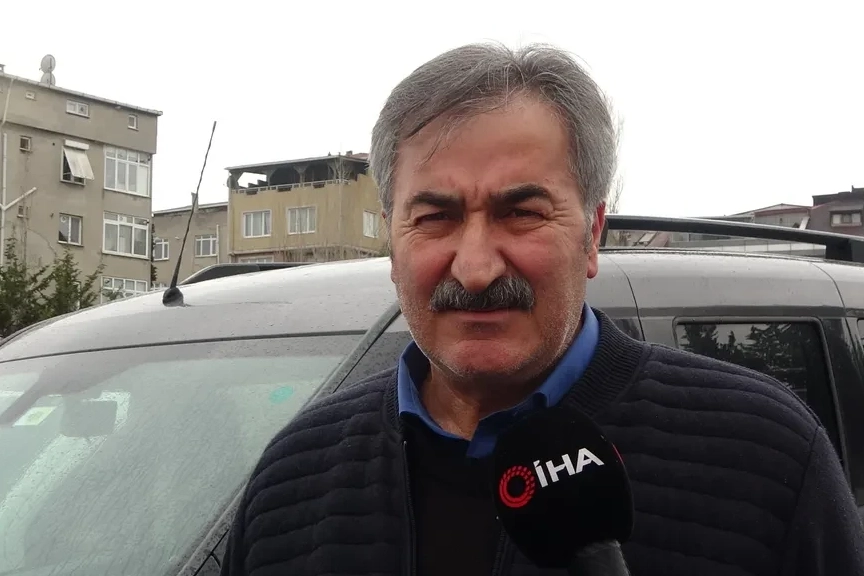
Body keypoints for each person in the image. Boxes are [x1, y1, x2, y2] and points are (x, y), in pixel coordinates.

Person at [220, 42, 864, 576]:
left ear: (592, 234)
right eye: (435, 217)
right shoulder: (291, 481)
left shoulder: (767, 459)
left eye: (521, 213)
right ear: (392, 242)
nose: (475, 268)